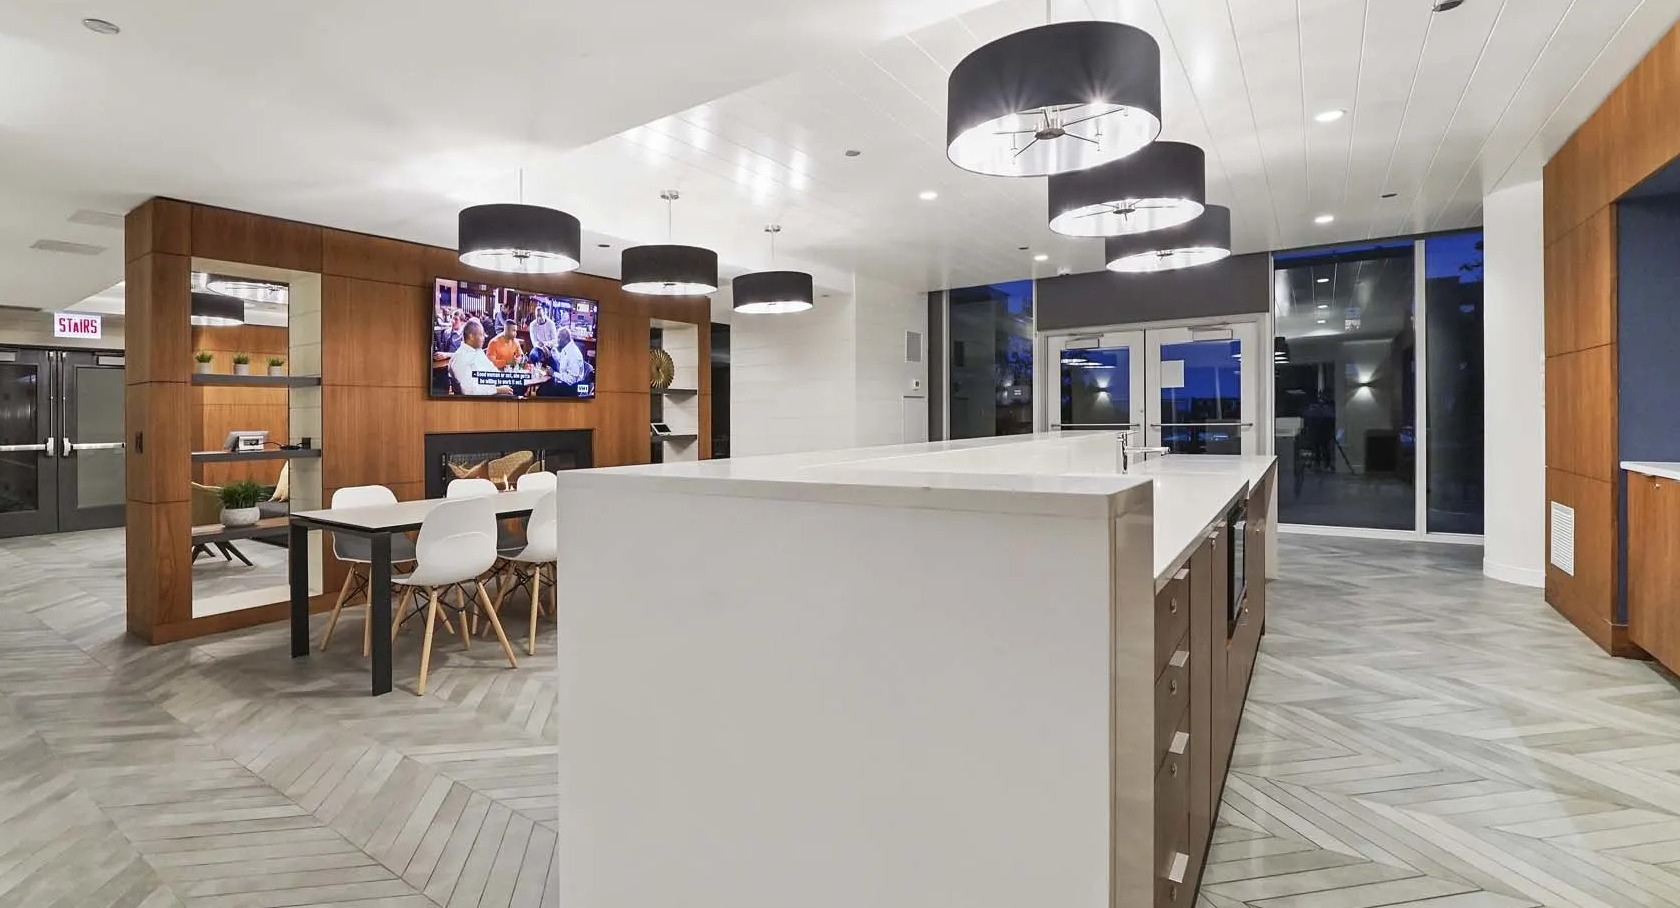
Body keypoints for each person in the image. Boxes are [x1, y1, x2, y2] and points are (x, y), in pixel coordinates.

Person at [448, 318, 514, 396]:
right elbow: (469, 390)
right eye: (481, 335)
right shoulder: (460, 358)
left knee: (519, 385)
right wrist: (498, 390)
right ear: (471, 336)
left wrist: (506, 379)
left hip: (491, 388)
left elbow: (491, 369)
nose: (484, 338)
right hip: (481, 398)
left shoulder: (478, 351)